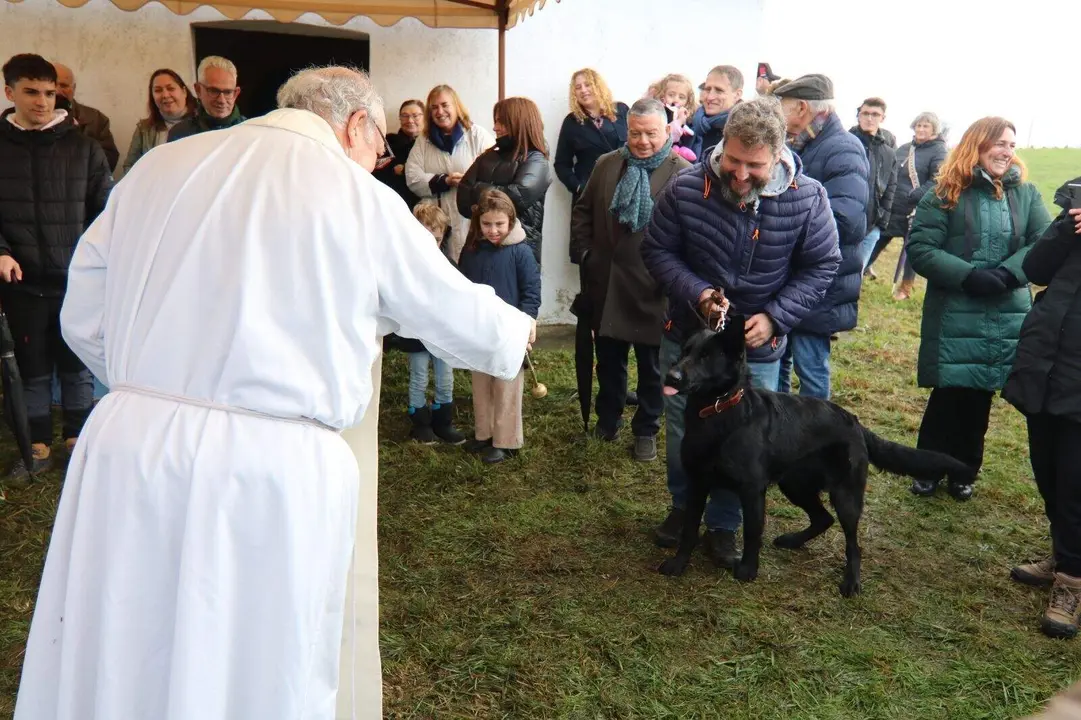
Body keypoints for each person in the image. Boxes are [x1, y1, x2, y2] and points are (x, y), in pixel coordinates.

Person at [13, 66, 536, 720]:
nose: (377, 161)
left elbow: (83, 312)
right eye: (377, 147)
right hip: (267, 466)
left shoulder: (156, 169)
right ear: (354, 124)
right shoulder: (352, 192)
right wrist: (519, 332)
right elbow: (443, 305)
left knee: (123, 638)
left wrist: (157, 385)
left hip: (130, 444)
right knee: (255, 662)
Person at [640, 96, 840, 567]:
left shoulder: (809, 199)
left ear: (779, 155)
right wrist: (698, 294)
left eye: (755, 165)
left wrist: (776, 317)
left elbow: (822, 265)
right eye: (733, 160)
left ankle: (725, 526)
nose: (741, 173)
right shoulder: (687, 188)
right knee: (682, 429)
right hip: (689, 336)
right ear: (722, 146)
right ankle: (683, 506)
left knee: (747, 440)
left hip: (759, 347)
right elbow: (657, 250)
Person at [906, 116, 1051, 501]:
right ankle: (927, 467)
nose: (1007, 152)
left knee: (980, 397)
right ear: (978, 144)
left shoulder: (1027, 194)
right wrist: (968, 276)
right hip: (956, 307)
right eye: (999, 143)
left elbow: (1042, 242)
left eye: (1012, 145)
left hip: (1005, 310)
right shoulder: (944, 192)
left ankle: (964, 470)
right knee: (949, 394)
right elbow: (921, 248)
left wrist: (1009, 273)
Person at [0, 54, 112, 485]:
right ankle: (37, 444)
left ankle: (78, 443)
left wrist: (95, 263)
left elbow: (106, 211)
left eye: (50, 92)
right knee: (32, 365)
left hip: (76, 280)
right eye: (31, 92)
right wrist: (2, 251)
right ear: (10, 93)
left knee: (76, 362)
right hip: (22, 281)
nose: (43, 101)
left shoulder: (83, 149)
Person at [570, 98, 689, 462]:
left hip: (655, 287)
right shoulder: (608, 164)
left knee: (653, 367)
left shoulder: (683, 172)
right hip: (608, 284)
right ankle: (609, 419)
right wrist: (588, 255)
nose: (642, 141)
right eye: (635, 133)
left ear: (667, 130)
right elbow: (584, 211)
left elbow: (691, 235)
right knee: (609, 360)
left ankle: (647, 428)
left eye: (651, 133)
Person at [1003, 176, 1081, 639]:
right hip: (1048, 364)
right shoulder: (1074, 204)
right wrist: (1066, 227)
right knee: (1047, 469)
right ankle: (1065, 552)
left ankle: (1071, 582)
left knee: (1076, 480)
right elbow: (1036, 267)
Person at [773, 74, 870, 400]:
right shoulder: (800, 145)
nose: (779, 114)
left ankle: (818, 439)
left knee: (811, 367)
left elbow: (846, 218)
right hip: (792, 276)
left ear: (802, 107)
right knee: (780, 361)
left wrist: (784, 232)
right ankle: (782, 429)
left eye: (782, 107)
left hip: (820, 283)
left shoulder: (842, 148)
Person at [458, 190, 541, 465]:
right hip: (480, 328)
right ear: (478, 223)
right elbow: (463, 289)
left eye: (499, 225)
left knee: (506, 385)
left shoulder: (520, 251)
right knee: (481, 382)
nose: (493, 230)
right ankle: (484, 433)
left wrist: (528, 321)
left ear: (511, 222)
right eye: (487, 224)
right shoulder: (470, 252)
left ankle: (506, 440)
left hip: (510, 331)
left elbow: (531, 290)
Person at [396, 202, 466, 445]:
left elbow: (458, 296)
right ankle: (421, 423)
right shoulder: (405, 268)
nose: (431, 245)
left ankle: (443, 421)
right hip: (416, 335)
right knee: (419, 377)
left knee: (445, 377)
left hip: (442, 335)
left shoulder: (448, 265)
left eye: (436, 239)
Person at [405, 84, 495, 262]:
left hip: (470, 219)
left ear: (456, 106)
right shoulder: (424, 141)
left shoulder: (477, 136)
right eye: (434, 107)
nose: (440, 111)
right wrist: (444, 181)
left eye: (445, 105)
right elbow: (412, 177)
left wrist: (467, 183)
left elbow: (493, 178)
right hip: (436, 225)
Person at [457, 97, 551, 265]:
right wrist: (494, 191)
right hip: (481, 247)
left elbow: (517, 197)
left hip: (519, 252)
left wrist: (477, 188)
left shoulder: (536, 160)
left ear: (517, 121)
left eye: (500, 121)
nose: (494, 127)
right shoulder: (487, 156)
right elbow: (462, 198)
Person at [866, 111, 948, 298]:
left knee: (912, 249)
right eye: (918, 125)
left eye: (925, 126)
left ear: (934, 129)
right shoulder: (904, 148)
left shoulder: (939, 151)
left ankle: (905, 288)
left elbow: (938, 180)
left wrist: (916, 195)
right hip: (894, 206)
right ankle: (862, 269)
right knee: (877, 239)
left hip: (918, 209)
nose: (920, 129)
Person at [554, 68, 629, 217]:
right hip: (589, 195)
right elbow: (561, 163)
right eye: (578, 87)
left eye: (588, 84)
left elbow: (637, 143)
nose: (583, 90)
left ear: (598, 86)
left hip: (622, 191)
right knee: (585, 239)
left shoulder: (621, 110)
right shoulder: (572, 122)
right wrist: (578, 187)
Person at [850, 97, 898, 273]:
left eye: (875, 114)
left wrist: (881, 223)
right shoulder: (843, 142)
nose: (870, 118)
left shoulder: (888, 152)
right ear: (858, 115)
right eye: (865, 113)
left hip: (871, 225)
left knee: (855, 276)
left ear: (882, 118)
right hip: (840, 221)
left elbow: (891, 188)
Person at [121, 68, 197, 176]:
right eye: (158, 90)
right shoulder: (144, 129)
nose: (165, 95)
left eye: (171, 88)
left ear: (184, 91)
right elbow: (130, 167)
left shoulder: (202, 123)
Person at [52, 61, 119, 171]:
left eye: (64, 85)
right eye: (53, 84)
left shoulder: (96, 119)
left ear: (74, 88)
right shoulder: (31, 117)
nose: (58, 91)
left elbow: (109, 160)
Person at [167, 55, 245, 142]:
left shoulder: (251, 132)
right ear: (198, 90)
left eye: (228, 92)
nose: (221, 100)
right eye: (214, 91)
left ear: (236, 93)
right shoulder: (180, 134)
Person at [373, 99, 424, 209]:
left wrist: (406, 169)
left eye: (415, 116)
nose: (410, 120)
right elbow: (376, 172)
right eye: (405, 116)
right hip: (393, 204)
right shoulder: (387, 141)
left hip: (426, 207)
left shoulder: (431, 145)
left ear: (425, 117)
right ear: (400, 118)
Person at [689, 65, 744, 161]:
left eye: (719, 91)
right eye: (707, 89)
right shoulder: (689, 123)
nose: (710, 97)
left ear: (737, 95)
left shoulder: (743, 132)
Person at [645, 73, 699, 162]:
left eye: (681, 97)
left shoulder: (689, 116)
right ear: (662, 96)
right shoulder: (657, 112)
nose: (676, 100)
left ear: (687, 101)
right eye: (671, 95)